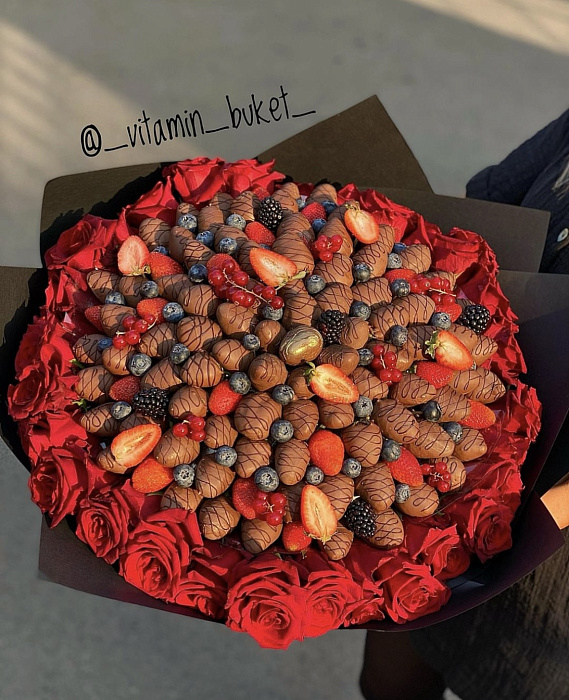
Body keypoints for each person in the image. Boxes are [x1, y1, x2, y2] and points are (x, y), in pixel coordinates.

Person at [359, 109, 569, 700]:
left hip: (544, 544)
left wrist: (524, 513)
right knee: (390, 681)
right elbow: (484, 212)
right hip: (447, 464)